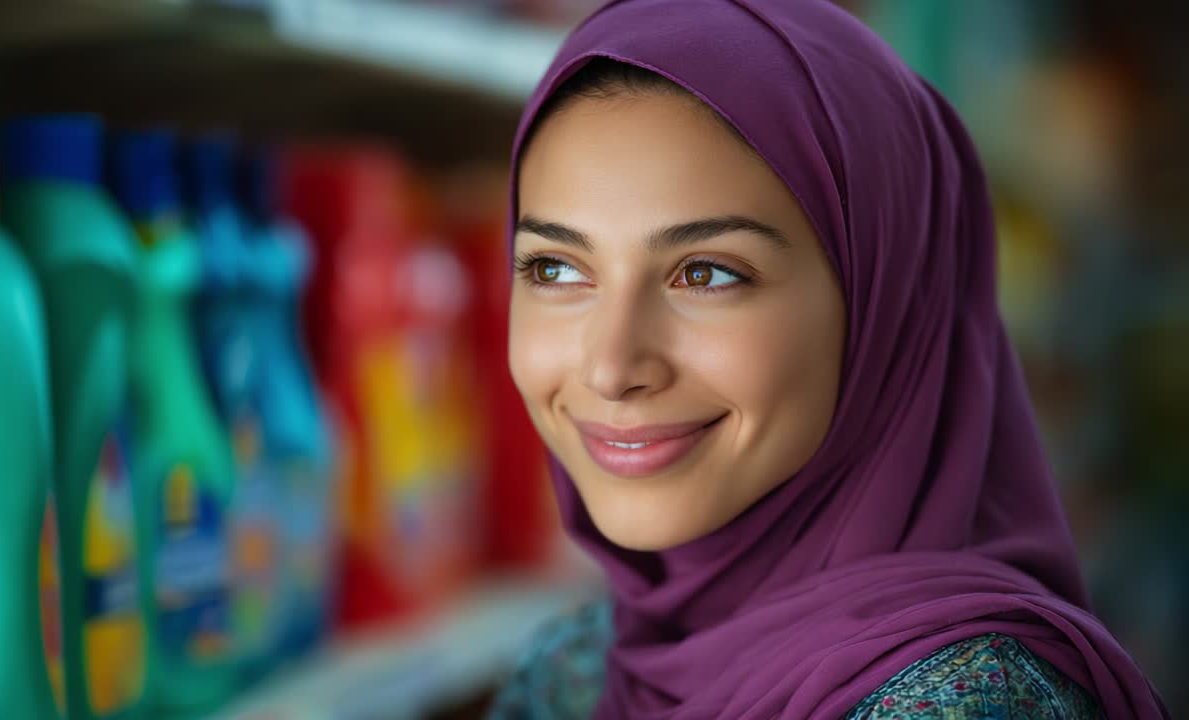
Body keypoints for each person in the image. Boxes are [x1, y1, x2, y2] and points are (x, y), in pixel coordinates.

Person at [487, 1, 1169, 718]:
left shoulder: (970, 704)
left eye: (707, 274)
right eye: (555, 270)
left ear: (886, 297)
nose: (610, 367)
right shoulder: (583, 664)